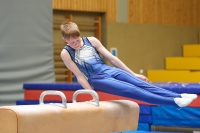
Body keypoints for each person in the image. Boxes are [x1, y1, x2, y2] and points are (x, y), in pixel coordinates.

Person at [60, 21, 197, 108]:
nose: (75, 44)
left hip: (109, 69)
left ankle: (178, 96)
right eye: (71, 42)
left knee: (143, 84)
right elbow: (79, 75)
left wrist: (133, 73)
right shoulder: (66, 53)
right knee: (133, 91)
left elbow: (112, 58)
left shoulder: (92, 41)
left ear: (79, 35)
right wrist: (92, 93)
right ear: (65, 40)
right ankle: (174, 102)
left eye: (77, 40)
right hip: (97, 79)